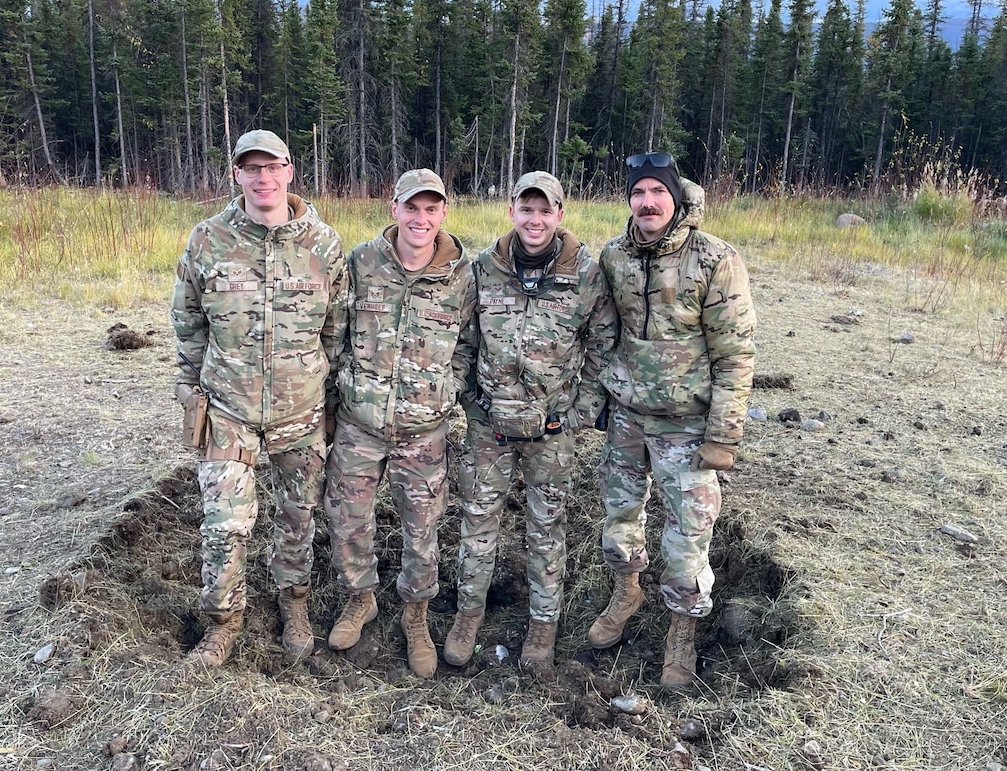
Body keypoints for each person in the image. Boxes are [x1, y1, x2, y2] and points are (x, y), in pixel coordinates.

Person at [172, 129, 349, 667]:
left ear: (290, 171)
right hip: (228, 410)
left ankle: (294, 605)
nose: (263, 178)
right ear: (237, 175)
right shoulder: (207, 239)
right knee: (224, 523)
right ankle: (224, 623)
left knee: (298, 517)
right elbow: (188, 321)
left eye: (272, 167)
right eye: (252, 169)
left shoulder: (323, 244)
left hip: (302, 412)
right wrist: (192, 389)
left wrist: (327, 393)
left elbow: (337, 329)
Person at [587, 152, 756, 690]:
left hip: (687, 424)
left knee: (688, 537)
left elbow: (735, 353)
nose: (647, 202)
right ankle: (627, 591)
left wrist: (724, 434)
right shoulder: (614, 256)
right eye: (638, 193)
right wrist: (596, 405)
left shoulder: (714, 259)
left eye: (657, 192)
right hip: (627, 418)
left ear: (677, 198)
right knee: (620, 521)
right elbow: (599, 334)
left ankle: (681, 630)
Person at [445, 172, 616, 671]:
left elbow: (603, 349)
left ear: (560, 214)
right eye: (527, 209)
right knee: (477, 523)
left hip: (552, 435)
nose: (535, 220)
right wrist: (476, 405)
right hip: (489, 431)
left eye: (545, 210)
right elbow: (463, 343)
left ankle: (543, 626)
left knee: (547, 528)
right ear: (512, 211)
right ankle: (467, 616)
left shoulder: (584, 273)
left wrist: (575, 417)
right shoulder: (484, 268)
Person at [322, 169, 476, 678]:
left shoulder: (463, 276)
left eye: (431, 209)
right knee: (347, 520)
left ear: (443, 214)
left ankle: (416, 616)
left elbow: (470, 348)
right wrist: (337, 397)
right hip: (359, 425)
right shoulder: (362, 262)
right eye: (412, 207)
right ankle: (360, 598)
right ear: (394, 209)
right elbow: (335, 333)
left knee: (422, 530)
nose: (421, 218)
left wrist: (444, 391)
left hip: (423, 432)